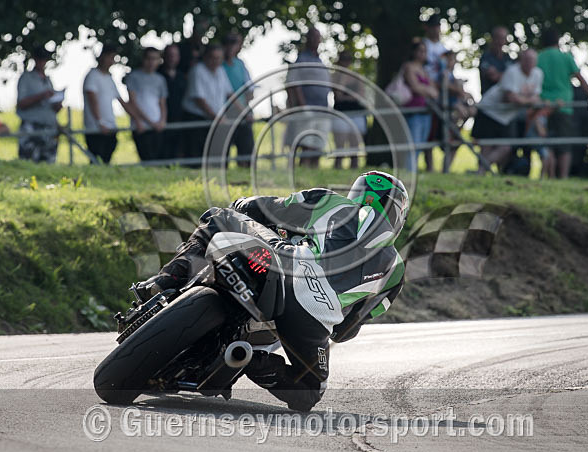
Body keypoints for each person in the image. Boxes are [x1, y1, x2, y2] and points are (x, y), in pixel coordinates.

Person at [133, 171, 408, 411]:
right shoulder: (395, 271)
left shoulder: (331, 202)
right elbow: (345, 331)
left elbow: (260, 207)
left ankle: (165, 281)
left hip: (286, 266)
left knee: (218, 217)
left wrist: (245, 207)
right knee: (309, 392)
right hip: (315, 316)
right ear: (398, 216)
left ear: (356, 193)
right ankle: (251, 361)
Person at [475, 49, 544, 175]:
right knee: (486, 146)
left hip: (507, 116)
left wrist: (523, 100)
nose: (529, 63)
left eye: (532, 60)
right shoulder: (512, 72)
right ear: (521, 60)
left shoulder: (538, 74)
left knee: (506, 147)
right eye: (527, 60)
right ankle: (481, 173)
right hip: (490, 111)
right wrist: (528, 101)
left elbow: (536, 98)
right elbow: (510, 98)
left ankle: (481, 170)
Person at [537, 29, 588, 179]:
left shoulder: (539, 58)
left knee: (548, 144)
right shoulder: (566, 57)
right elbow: (580, 79)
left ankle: (550, 176)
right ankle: (564, 176)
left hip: (543, 106)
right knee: (564, 145)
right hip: (564, 106)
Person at [82, 43, 144, 164]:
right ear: (102, 56)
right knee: (97, 159)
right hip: (96, 128)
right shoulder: (92, 76)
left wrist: (137, 119)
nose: (111, 61)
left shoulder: (109, 79)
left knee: (106, 158)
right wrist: (99, 122)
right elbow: (92, 99)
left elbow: (121, 101)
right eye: (110, 57)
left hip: (110, 127)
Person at [285, 27, 332, 168]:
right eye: (314, 37)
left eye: (318, 38)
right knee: (306, 143)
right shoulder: (301, 59)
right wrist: (302, 105)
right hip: (307, 108)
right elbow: (294, 84)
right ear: (308, 39)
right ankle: (302, 170)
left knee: (318, 144)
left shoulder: (320, 61)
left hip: (322, 108)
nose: (316, 40)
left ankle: (314, 171)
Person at [181, 44, 235, 164]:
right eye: (213, 57)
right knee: (197, 157)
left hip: (217, 119)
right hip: (197, 119)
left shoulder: (221, 71)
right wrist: (216, 117)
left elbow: (230, 94)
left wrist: (244, 111)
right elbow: (199, 99)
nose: (216, 61)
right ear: (205, 57)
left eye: (219, 58)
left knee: (219, 154)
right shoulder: (197, 71)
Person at [16, 47, 62, 163]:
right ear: (35, 59)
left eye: (45, 59)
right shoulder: (26, 78)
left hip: (49, 127)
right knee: (29, 162)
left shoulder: (48, 80)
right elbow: (21, 103)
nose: (43, 62)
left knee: (48, 162)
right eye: (40, 59)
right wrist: (41, 96)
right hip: (32, 126)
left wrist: (57, 104)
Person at [124, 47, 168, 162]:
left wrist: (162, 120)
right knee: (147, 158)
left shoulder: (160, 79)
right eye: (149, 59)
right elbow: (133, 102)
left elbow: (162, 103)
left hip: (157, 125)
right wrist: (149, 122)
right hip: (141, 126)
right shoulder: (134, 77)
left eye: (154, 59)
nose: (151, 62)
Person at [402, 39, 438, 172]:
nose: (423, 54)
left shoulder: (424, 70)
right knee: (413, 144)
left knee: (421, 144)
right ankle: (409, 171)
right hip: (413, 111)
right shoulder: (409, 67)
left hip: (425, 112)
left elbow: (434, 90)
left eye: (425, 51)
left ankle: (413, 171)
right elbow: (415, 87)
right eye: (420, 51)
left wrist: (426, 89)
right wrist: (427, 90)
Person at [222, 32, 255, 167]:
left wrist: (246, 109)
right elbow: (227, 93)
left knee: (246, 148)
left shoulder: (240, 64)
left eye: (234, 43)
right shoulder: (219, 66)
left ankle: (245, 173)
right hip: (225, 114)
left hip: (242, 114)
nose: (230, 47)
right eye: (228, 43)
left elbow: (249, 90)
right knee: (224, 150)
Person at [421, 15, 448, 175]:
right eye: (434, 26)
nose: (436, 29)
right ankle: (429, 165)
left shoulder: (443, 48)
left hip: (441, 92)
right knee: (428, 132)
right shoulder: (424, 45)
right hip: (428, 92)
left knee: (440, 130)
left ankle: (441, 166)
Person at [331, 50, 366, 169]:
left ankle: (354, 171)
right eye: (343, 59)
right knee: (339, 148)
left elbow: (361, 95)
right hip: (340, 114)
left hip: (356, 114)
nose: (346, 62)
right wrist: (343, 78)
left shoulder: (356, 76)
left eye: (348, 59)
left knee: (355, 149)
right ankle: (337, 168)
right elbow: (338, 96)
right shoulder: (335, 76)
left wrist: (346, 97)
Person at [157, 44, 187, 160]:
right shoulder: (157, 74)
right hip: (160, 121)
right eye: (169, 55)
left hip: (179, 120)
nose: (172, 58)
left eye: (174, 55)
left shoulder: (182, 76)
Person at [478, 26, 513, 95]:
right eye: (498, 38)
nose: (500, 41)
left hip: (506, 100)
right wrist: (508, 76)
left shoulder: (507, 58)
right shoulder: (486, 58)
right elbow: (493, 77)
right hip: (489, 101)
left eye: (503, 38)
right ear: (493, 38)